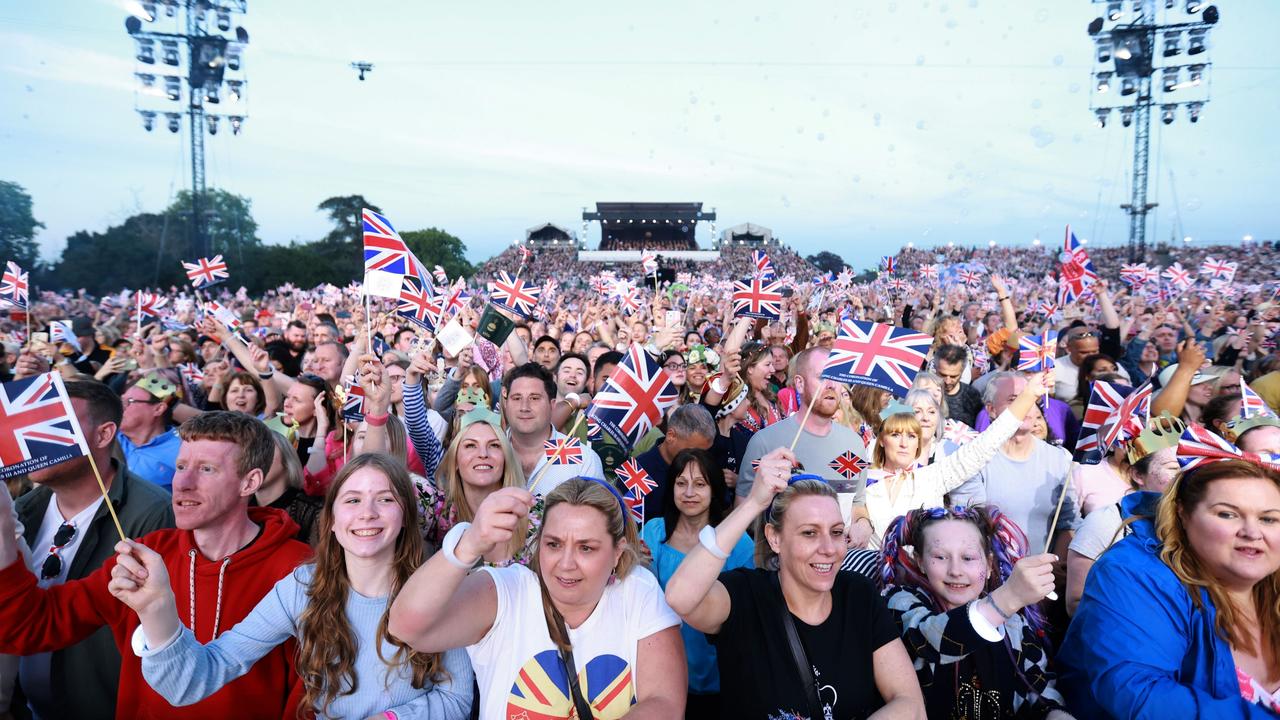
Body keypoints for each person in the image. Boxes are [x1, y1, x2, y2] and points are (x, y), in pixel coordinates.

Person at [107, 453, 474, 719]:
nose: (367, 513)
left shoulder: (441, 588)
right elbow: (199, 676)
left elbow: (456, 701)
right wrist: (156, 611)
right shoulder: (301, 587)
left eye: (385, 499)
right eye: (352, 500)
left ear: (406, 516)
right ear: (331, 520)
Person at [0, 411, 312, 719]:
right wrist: (3, 522)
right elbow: (33, 625)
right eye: (180, 466)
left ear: (249, 482)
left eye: (206, 469)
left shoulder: (298, 569)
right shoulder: (147, 554)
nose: (183, 483)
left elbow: (307, 696)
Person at [388, 478, 687, 718]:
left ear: (617, 552)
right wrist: (469, 544)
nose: (566, 563)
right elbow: (406, 628)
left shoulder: (637, 590)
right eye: (554, 544)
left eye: (586, 548)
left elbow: (664, 702)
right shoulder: (506, 591)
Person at [664, 447, 926, 719]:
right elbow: (679, 596)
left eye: (836, 532)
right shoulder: (745, 596)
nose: (828, 548)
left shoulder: (858, 594)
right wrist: (754, 503)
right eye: (809, 533)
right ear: (775, 539)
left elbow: (909, 702)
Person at [1058, 456, 1280, 717]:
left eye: (1269, 519)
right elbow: (1137, 694)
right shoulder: (1132, 574)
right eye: (1227, 514)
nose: (1252, 532)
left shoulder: (1271, 576)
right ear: (1183, 514)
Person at [4, 380, 174, 720]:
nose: (33, 440)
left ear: (103, 434)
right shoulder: (24, 508)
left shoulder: (152, 512)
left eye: (54, 424)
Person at [880, 506, 1070, 719]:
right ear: (920, 561)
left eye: (968, 558)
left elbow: (1039, 691)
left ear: (989, 565)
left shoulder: (1013, 624)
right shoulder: (901, 602)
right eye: (941, 557)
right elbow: (930, 640)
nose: (955, 570)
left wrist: (1055, 713)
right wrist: (1010, 597)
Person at [864, 370, 1052, 545]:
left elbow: (985, 445)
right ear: (881, 440)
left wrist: (1028, 395)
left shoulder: (932, 477)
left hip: (918, 577)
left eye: (912, 436)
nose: (904, 443)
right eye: (896, 435)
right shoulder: (861, 479)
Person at [641, 448, 751, 716]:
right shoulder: (653, 532)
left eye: (700, 484)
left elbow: (746, 612)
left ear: (714, 489)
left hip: (720, 673)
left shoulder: (737, 542)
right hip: (661, 669)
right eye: (681, 483)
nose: (689, 492)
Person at [736, 347, 874, 545]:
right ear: (799, 383)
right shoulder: (765, 442)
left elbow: (857, 501)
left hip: (840, 563)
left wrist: (863, 523)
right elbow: (742, 514)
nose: (831, 386)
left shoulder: (853, 443)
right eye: (822, 377)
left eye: (835, 378)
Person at [950, 372, 1080, 563]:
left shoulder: (1059, 458)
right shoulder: (973, 458)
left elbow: (1069, 523)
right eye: (1014, 400)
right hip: (990, 576)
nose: (1025, 405)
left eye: (1030, 398)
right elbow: (969, 526)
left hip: (1046, 579)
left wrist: (1054, 569)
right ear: (991, 410)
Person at [1065, 415, 1183, 615]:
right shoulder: (1105, 522)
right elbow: (1076, 603)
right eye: (1173, 468)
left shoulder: (1196, 521)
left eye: (1187, 466)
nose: (1183, 475)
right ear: (1137, 475)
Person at [417, 406, 531, 562]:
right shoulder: (437, 510)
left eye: (494, 445)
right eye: (471, 445)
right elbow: (382, 482)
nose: (483, 454)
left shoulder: (531, 512)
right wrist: (377, 415)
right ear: (455, 460)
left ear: (505, 458)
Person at [503, 362, 602, 495]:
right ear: (506, 403)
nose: (524, 407)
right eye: (516, 398)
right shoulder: (489, 452)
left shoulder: (584, 459)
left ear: (552, 405)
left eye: (534, 398)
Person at [633, 404, 717, 521]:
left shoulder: (707, 468)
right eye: (693, 451)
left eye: (705, 452)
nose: (700, 458)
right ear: (671, 436)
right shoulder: (634, 472)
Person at [117, 372, 184, 491]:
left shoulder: (183, 449)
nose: (120, 406)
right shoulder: (107, 437)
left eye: (130, 401)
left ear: (158, 409)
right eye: (121, 401)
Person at [255, 430, 322, 544]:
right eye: (250, 452)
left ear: (286, 459)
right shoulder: (235, 508)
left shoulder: (315, 511)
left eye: (266, 450)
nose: (256, 458)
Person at [934, 344, 984, 427]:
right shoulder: (924, 393)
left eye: (953, 376)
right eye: (943, 375)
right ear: (935, 368)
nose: (947, 381)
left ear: (962, 371)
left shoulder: (972, 395)